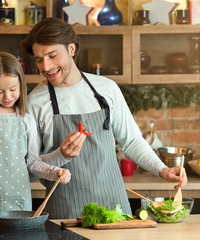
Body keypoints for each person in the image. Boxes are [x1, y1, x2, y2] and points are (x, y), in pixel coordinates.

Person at [21, 17, 188, 219]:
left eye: (52, 55)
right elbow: (30, 169)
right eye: (39, 59)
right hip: (65, 214)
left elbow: (132, 141)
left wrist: (162, 170)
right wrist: (61, 155)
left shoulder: (106, 89)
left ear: (71, 49)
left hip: (114, 209)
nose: (46, 66)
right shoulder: (34, 103)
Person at [0, 51, 82, 222]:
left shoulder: (26, 119)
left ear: (21, 84)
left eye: (13, 89)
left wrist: (56, 172)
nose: (7, 96)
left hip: (20, 205)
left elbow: (33, 163)